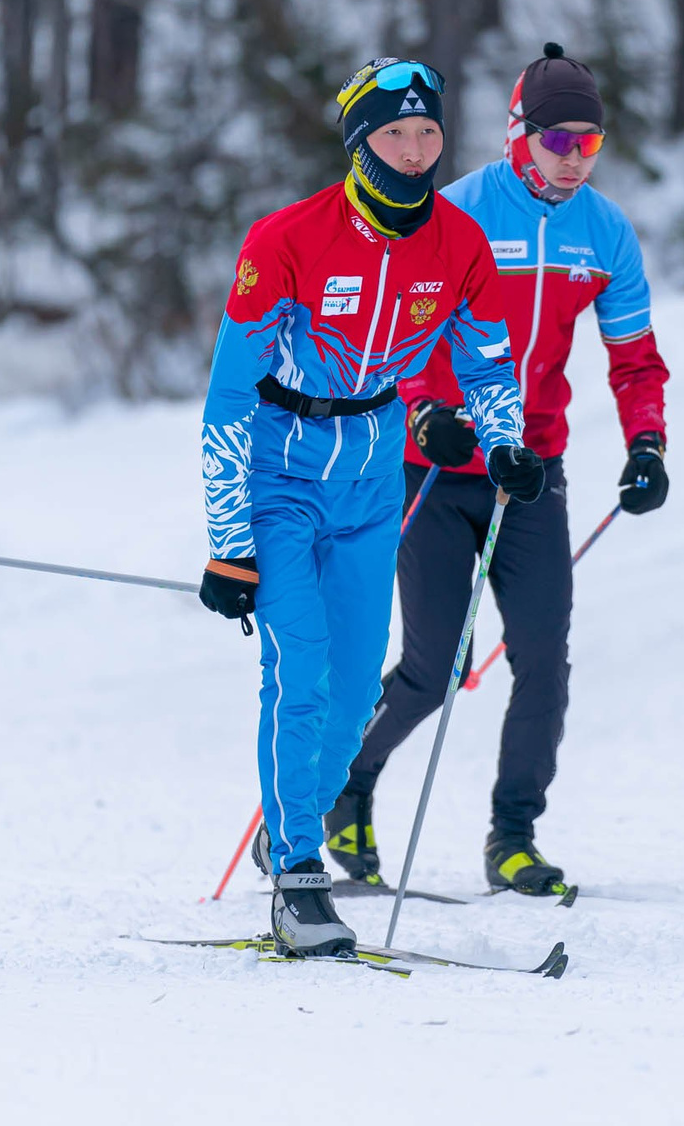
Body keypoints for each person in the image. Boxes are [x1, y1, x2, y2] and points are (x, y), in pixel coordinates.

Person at [197, 57, 548, 958]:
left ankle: (293, 825)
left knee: (356, 689)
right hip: (279, 471)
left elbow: (487, 361)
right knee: (302, 667)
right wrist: (229, 542)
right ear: (361, 141)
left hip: (369, 482)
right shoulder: (287, 237)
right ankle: (301, 875)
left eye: (428, 132)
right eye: (395, 132)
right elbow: (229, 395)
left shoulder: (460, 244)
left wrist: (504, 439)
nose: (416, 148)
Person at [325, 44, 671, 898]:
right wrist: (423, 412)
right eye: (560, 141)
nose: (576, 160)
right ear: (519, 134)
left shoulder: (605, 231)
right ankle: (343, 786)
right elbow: (391, 339)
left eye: (592, 143)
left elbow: (634, 359)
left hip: (531, 471)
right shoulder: (458, 216)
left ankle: (513, 836)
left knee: (544, 658)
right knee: (436, 663)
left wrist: (647, 444)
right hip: (435, 468)